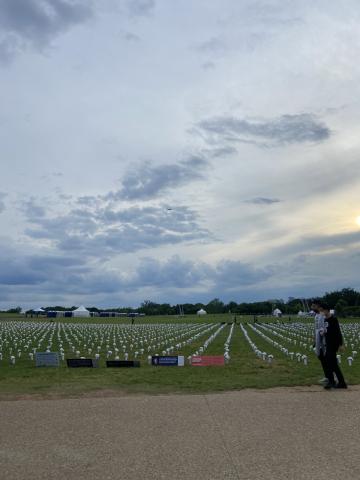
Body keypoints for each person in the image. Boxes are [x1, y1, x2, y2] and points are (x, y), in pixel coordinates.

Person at [319, 302, 347, 389]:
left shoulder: (334, 319)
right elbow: (327, 331)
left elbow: (338, 332)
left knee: (331, 362)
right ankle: (340, 382)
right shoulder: (325, 320)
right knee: (333, 364)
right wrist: (323, 333)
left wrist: (341, 344)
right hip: (328, 344)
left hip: (333, 344)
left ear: (327, 310)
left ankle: (334, 382)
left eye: (322, 311)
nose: (321, 312)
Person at [310, 299, 327, 384]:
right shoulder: (316, 315)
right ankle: (327, 376)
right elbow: (316, 329)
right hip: (318, 340)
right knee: (321, 358)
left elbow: (324, 328)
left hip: (324, 341)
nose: (312, 307)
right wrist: (315, 340)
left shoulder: (323, 315)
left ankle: (331, 376)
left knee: (325, 359)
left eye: (313, 306)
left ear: (318, 306)